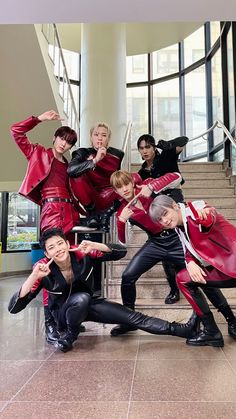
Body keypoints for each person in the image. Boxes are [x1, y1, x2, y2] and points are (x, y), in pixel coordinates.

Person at [8, 228, 198, 352]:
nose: (57, 249)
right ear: (47, 253)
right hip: (62, 316)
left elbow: (120, 252)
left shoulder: (82, 254)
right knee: (81, 298)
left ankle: (183, 330)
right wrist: (34, 276)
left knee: (133, 317)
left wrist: (96, 246)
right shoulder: (43, 268)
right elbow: (14, 308)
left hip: (89, 304)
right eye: (51, 247)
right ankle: (70, 336)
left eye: (60, 243)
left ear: (67, 243)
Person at [109, 170, 236, 339]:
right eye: (119, 187)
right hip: (155, 243)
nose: (124, 189)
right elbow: (124, 242)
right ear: (115, 191)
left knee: (200, 276)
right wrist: (121, 221)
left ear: (132, 182)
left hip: (178, 239)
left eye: (126, 183)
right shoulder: (124, 211)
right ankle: (128, 320)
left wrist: (153, 186)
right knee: (128, 275)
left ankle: (231, 319)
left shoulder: (148, 187)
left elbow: (177, 177)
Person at [10, 110, 82, 345]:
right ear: (55, 137)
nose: (64, 144)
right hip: (51, 212)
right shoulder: (38, 153)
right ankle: (50, 323)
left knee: (69, 265)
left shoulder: (70, 165)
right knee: (48, 266)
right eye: (62, 138)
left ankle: (68, 317)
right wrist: (38, 119)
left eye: (69, 141)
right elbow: (16, 131)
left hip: (70, 212)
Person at [149, 194, 236, 347]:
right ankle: (230, 322)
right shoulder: (180, 226)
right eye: (160, 220)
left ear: (175, 206)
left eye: (165, 214)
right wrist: (190, 262)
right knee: (195, 275)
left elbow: (207, 216)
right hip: (225, 266)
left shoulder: (193, 214)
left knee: (183, 279)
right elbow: (188, 251)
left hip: (232, 264)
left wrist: (205, 215)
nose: (165, 221)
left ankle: (211, 331)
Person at [137, 133, 188, 304]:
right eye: (141, 148)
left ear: (153, 147)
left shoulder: (166, 156)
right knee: (165, 250)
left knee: (183, 245)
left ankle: (189, 283)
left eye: (148, 147)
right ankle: (174, 289)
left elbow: (184, 140)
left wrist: (169, 144)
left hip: (174, 204)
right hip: (157, 211)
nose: (145, 151)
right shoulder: (141, 172)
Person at [68, 122, 124, 230]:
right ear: (91, 137)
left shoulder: (117, 154)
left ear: (108, 138)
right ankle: (93, 214)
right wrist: (95, 160)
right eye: (96, 134)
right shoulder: (82, 153)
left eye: (104, 135)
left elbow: (118, 177)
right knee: (75, 175)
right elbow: (71, 170)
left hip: (110, 197)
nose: (100, 138)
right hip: (91, 198)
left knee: (133, 178)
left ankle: (109, 215)